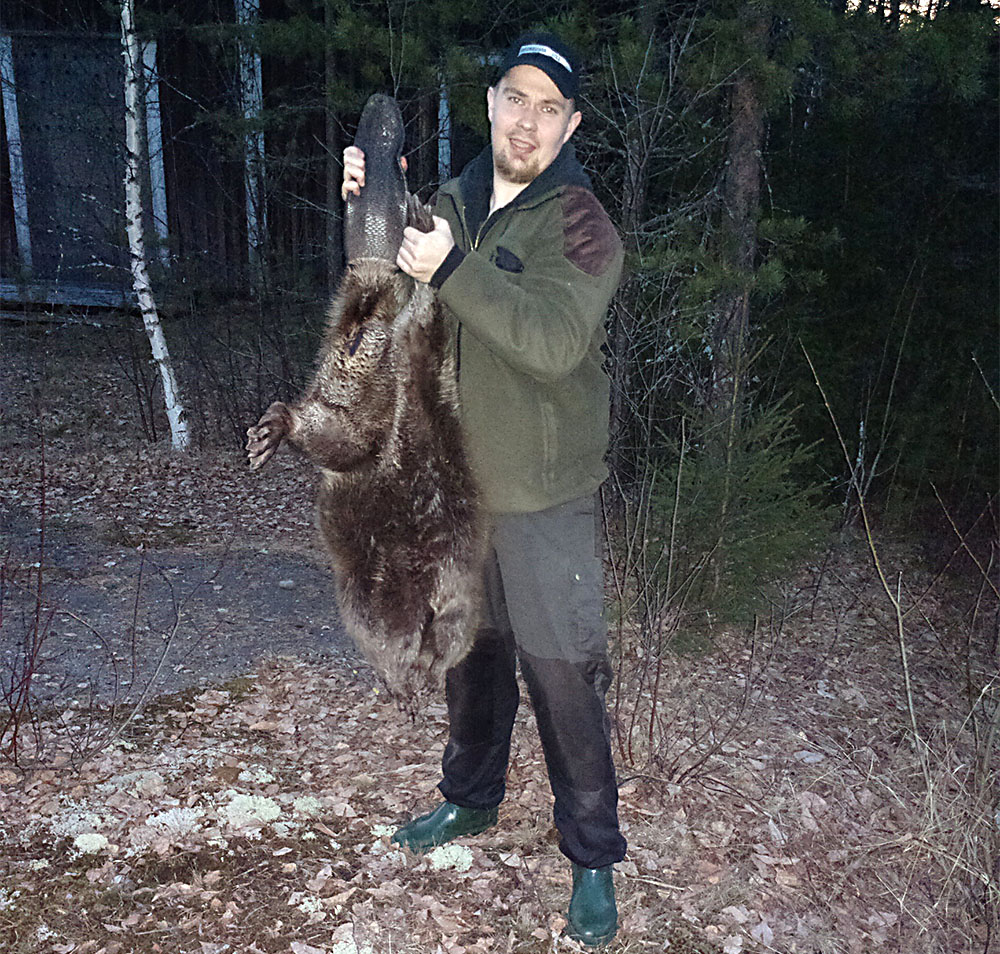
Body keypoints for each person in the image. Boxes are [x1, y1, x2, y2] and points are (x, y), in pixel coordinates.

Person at [342, 30, 626, 947]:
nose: (530, 122)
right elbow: (384, 292)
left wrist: (454, 271)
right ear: (492, 103)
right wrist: (369, 204)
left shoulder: (582, 222)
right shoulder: (453, 204)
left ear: (570, 123)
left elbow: (549, 341)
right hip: (459, 492)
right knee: (472, 659)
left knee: (562, 676)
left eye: (552, 109)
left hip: (545, 499)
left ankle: (591, 858)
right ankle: (469, 799)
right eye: (517, 99)